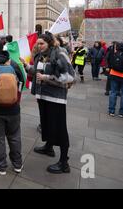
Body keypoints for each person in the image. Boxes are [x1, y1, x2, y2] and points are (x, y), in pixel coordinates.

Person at [23, 32, 75, 174]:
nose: (39, 46)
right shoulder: (41, 55)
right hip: (43, 96)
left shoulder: (60, 54)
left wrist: (47, 77)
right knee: (46, 123)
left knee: (59, 128)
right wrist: (26, 66)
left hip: (56, 98)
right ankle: (48, 147)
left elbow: (70, 76)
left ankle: (64, 163)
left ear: (50, 43)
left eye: (42, 43)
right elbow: (37, 71)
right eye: (38, 43)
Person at [0, 39, 25, 175]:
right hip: (13, 108)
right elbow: (22, 81)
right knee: (14, 135)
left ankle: (1, 165)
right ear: (3, 47)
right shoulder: (12, 63)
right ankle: (17, 164)